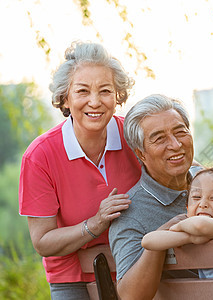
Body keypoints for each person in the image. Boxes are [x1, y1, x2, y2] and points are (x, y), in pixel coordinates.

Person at [18, 41, 141, 299]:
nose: (95, 102)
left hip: (138, 267)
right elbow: (43, 242)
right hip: (74, 279)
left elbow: (180, 171)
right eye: (82, 91)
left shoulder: (134, 134)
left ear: (117, 96)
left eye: (105, 91)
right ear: (65, 97)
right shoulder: (40, 156)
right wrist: (95, 223)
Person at [109, 94, 213, 299]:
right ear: (141, 154)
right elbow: (130, 296)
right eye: (160, 138)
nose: (175, 144)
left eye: (180, 132)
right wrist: (164, 235)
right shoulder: (131, 213)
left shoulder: (212, 182)